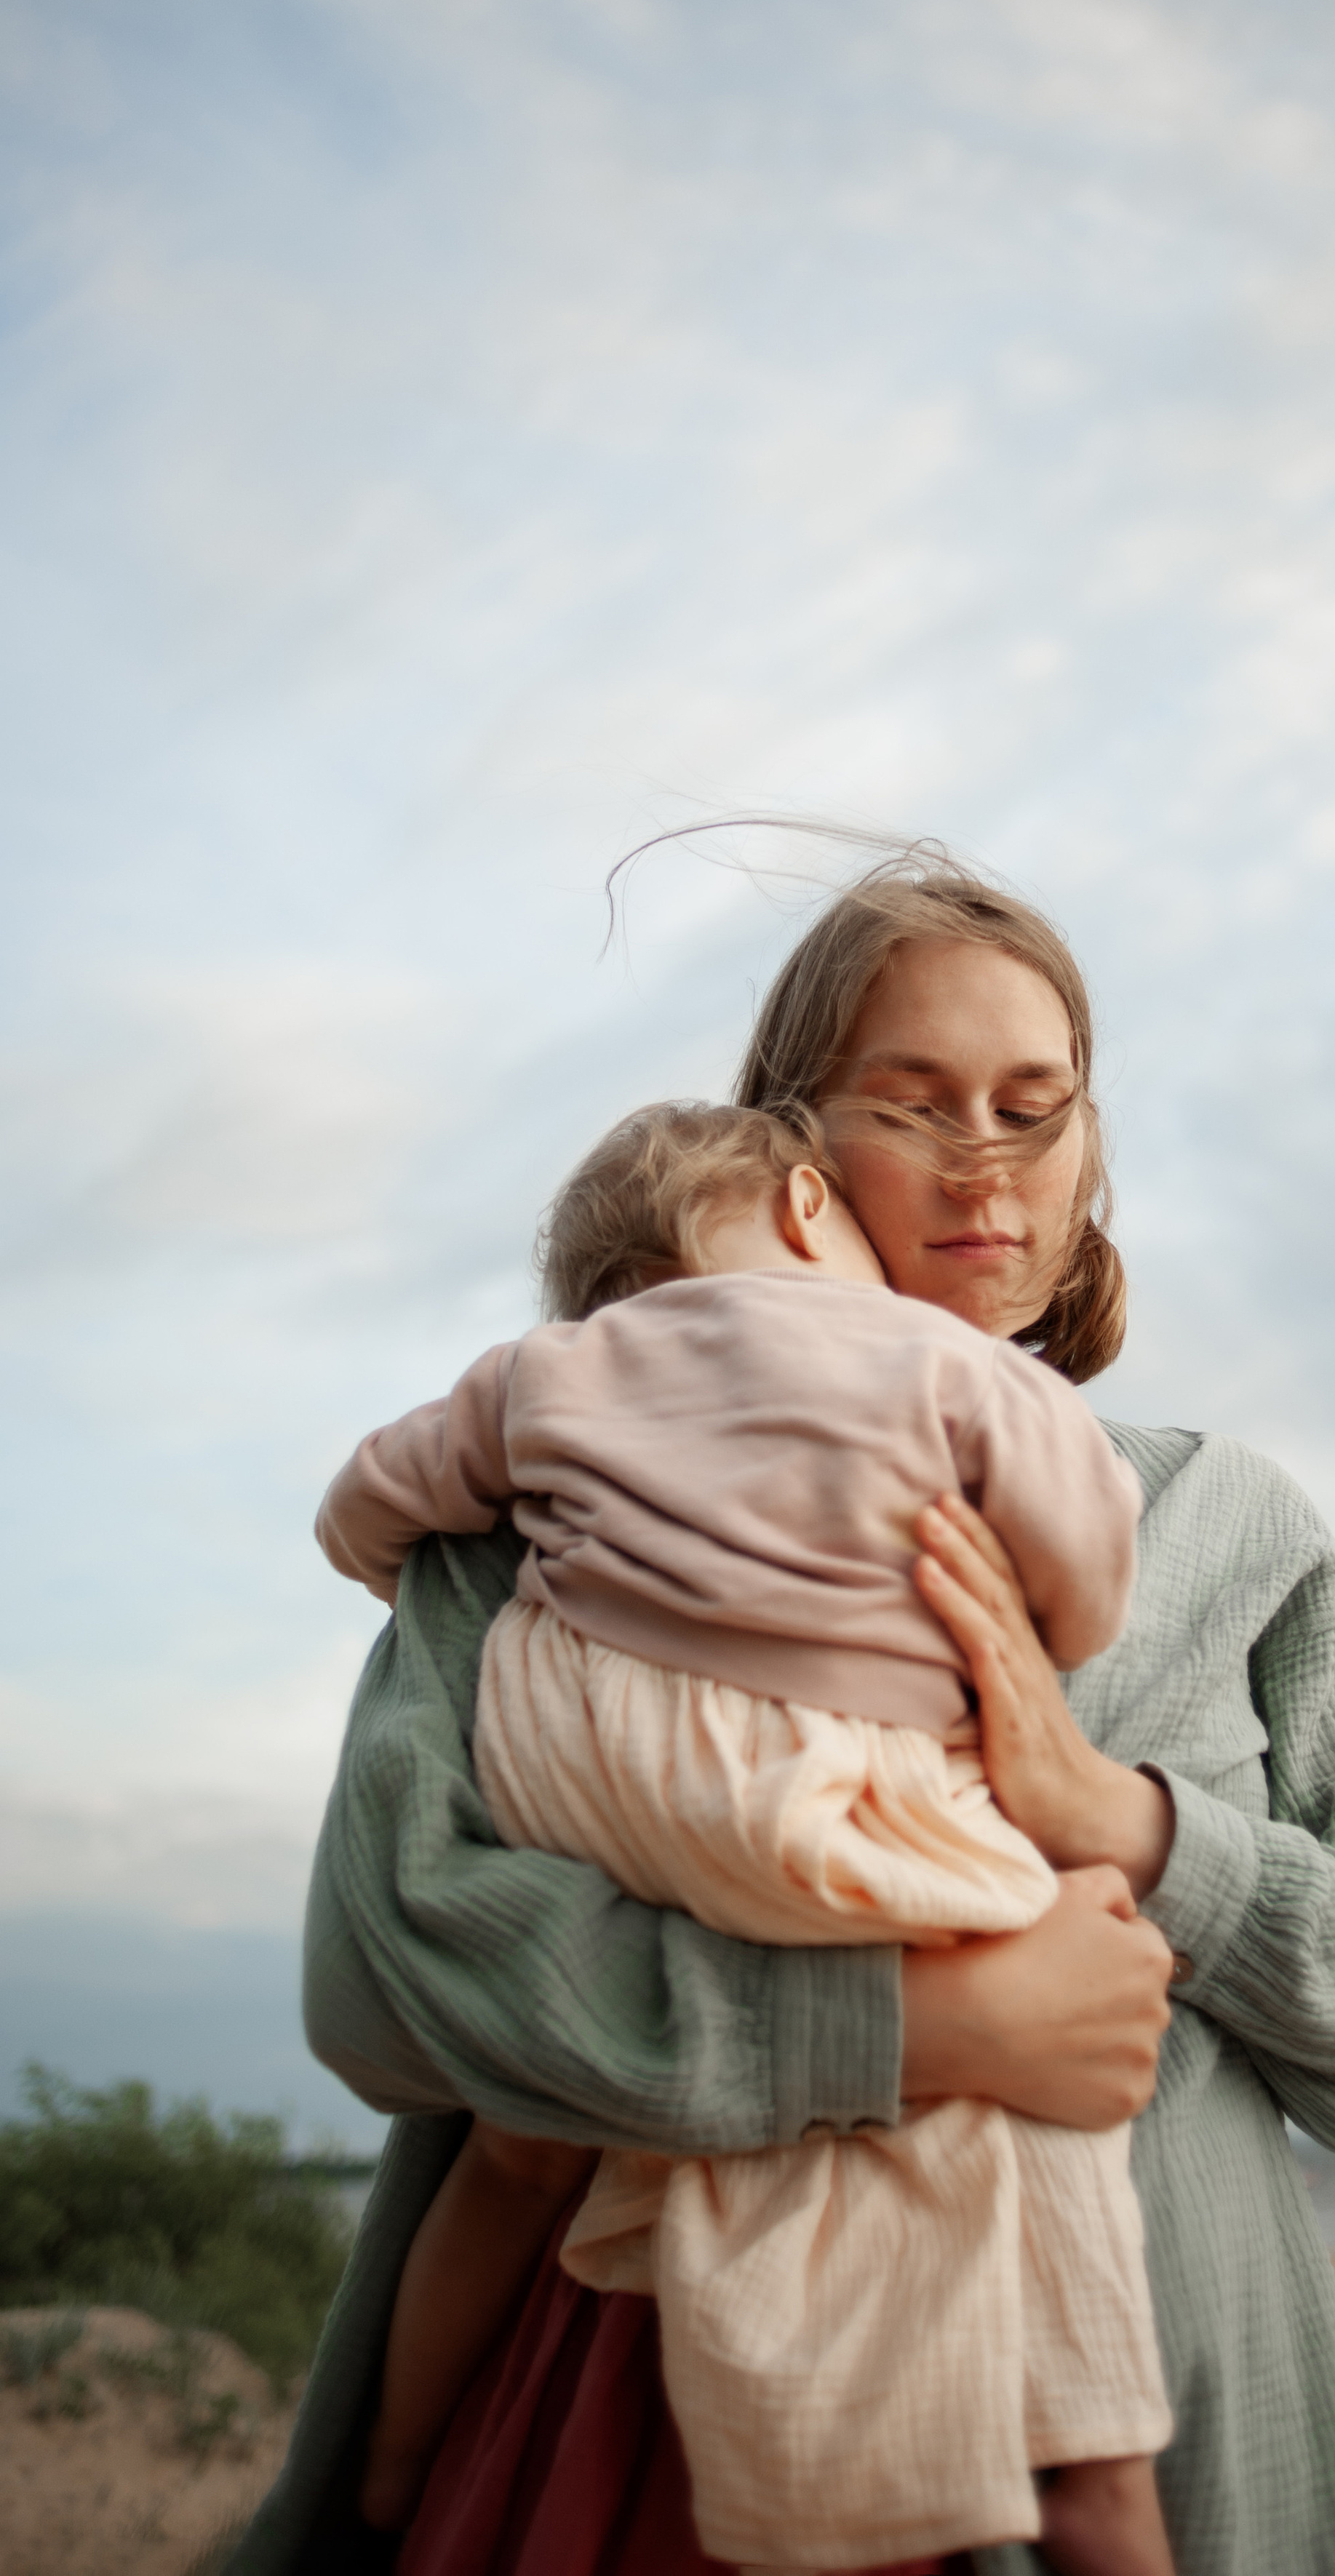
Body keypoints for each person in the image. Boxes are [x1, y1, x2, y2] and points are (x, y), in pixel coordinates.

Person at [231, 857, 1335, 2576]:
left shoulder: (1223, 1523)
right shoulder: (556, 1518)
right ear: (787, 1156)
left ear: (1087, 1153)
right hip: (640, 2453)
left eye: (1032, 1107)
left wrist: (1130, 1829)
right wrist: (912, 2032)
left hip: (1164, 2462)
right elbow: (385, 1987)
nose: (986, 1161)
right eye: (912, 1106)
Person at [314, 1096, 1173, 2573]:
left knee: (520, 2149)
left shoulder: (548, 1373)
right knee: (1041, 2025)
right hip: (844, 1798)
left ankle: (387, 2461)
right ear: (801, 1206)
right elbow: (1087, 1570)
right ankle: (1067, 2488)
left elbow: (361, 1511)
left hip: (598, 1777)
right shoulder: (940, 1361)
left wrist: (493, 1573)